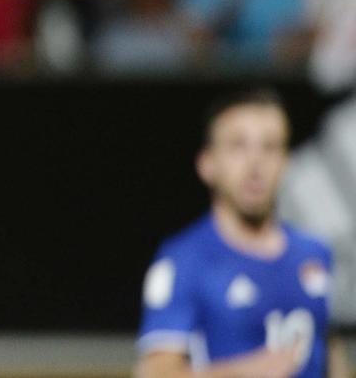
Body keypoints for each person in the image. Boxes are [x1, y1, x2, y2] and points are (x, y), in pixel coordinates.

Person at [134, 90, 349, 378]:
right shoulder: (184, 261)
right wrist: (246, 372)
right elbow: (154, 372)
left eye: (269, 147)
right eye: (238, 146)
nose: (255, 164)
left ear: (286, 162)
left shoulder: (314, 253)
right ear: (207, 164)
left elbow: (327, 347)